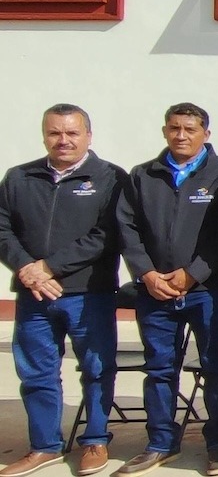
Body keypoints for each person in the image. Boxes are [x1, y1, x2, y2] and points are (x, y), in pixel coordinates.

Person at [0, 104, 126, 477]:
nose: (63, 140)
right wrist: (28, 269)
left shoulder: (110, 178)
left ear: (88, 135)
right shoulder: (19, 177)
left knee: (97, 369)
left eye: (72, 133)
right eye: (55, 132)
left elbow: (107, 235)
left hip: (89, 294)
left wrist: (50, 267)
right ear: (44, 135)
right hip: (35, 295)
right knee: (36, 373)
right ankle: (44, 446)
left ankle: (95, 440)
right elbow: (2, 228)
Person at [115, 103, 218, 476]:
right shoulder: (142, 175)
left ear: (206, 134)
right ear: (165, 131)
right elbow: (126, 228)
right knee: (159, 369)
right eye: (174, 128)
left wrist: (193, 274)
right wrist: (147, 274)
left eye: (190, 129)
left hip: (207, 291)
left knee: (217, 366)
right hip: (154, 290)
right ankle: (160, 443)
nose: (181, 135)